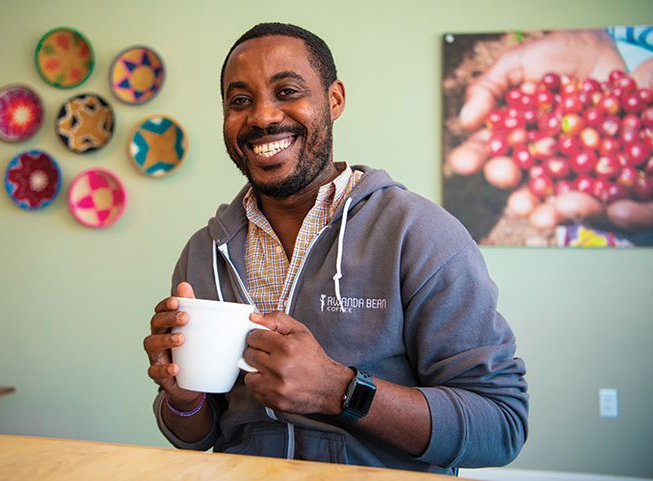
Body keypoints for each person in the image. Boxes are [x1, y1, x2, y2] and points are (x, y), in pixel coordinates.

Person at [144, 22, 528, 475]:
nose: (262, 117)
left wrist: (340, 390)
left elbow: (500, 425)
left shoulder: (419, 234)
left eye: (287, 91)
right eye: (240, 101)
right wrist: (184, 398)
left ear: (335, 100)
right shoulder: (205, 252)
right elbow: (195, 436)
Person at [452, 27, 653, 232]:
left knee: (616, 218)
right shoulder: (557, 119)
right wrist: (595, 33)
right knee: (581, 216)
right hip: (617, 42)